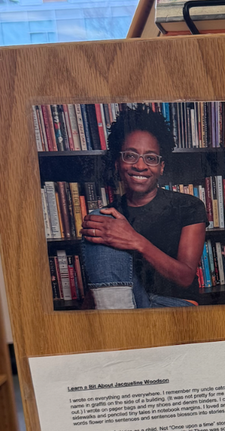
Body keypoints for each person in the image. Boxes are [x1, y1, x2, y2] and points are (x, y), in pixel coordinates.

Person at [80, 108, 207, 309]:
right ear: (117, 163)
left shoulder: (188, 206)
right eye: (130, 156)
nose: (140, 166)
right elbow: (105, 281)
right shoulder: (110, 215)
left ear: (161, 166)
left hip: (173, 304)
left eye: (151, 158)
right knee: (98, 217)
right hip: (125, 303)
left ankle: (120, 327)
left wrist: (135, 241)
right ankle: (120, 325)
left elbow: (185, 276)